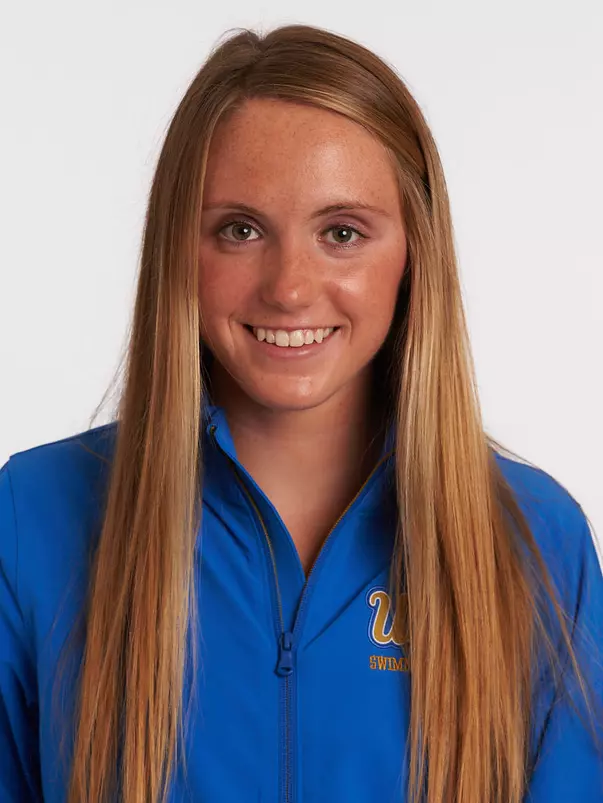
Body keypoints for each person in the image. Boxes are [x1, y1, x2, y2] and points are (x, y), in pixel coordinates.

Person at [0, 22, 601, 803]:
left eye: (341, 232)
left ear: (412, 254)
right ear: (179, 249)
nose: (288, 287)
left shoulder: (533, 541)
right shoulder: (33, 514)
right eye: (239, 230)